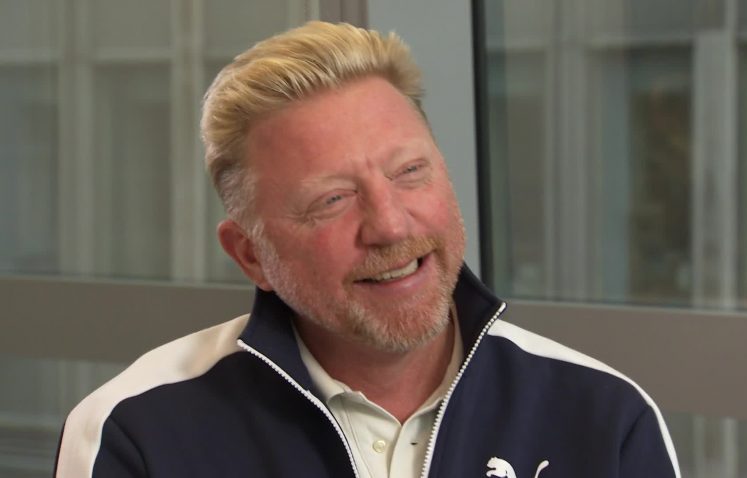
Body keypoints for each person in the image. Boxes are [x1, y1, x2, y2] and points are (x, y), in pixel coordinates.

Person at [54, 21, 680, 478]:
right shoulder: (136, 431)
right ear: (251, 255)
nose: (390, 225)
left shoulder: (603, 415)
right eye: (332, 199)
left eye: (410, 172)